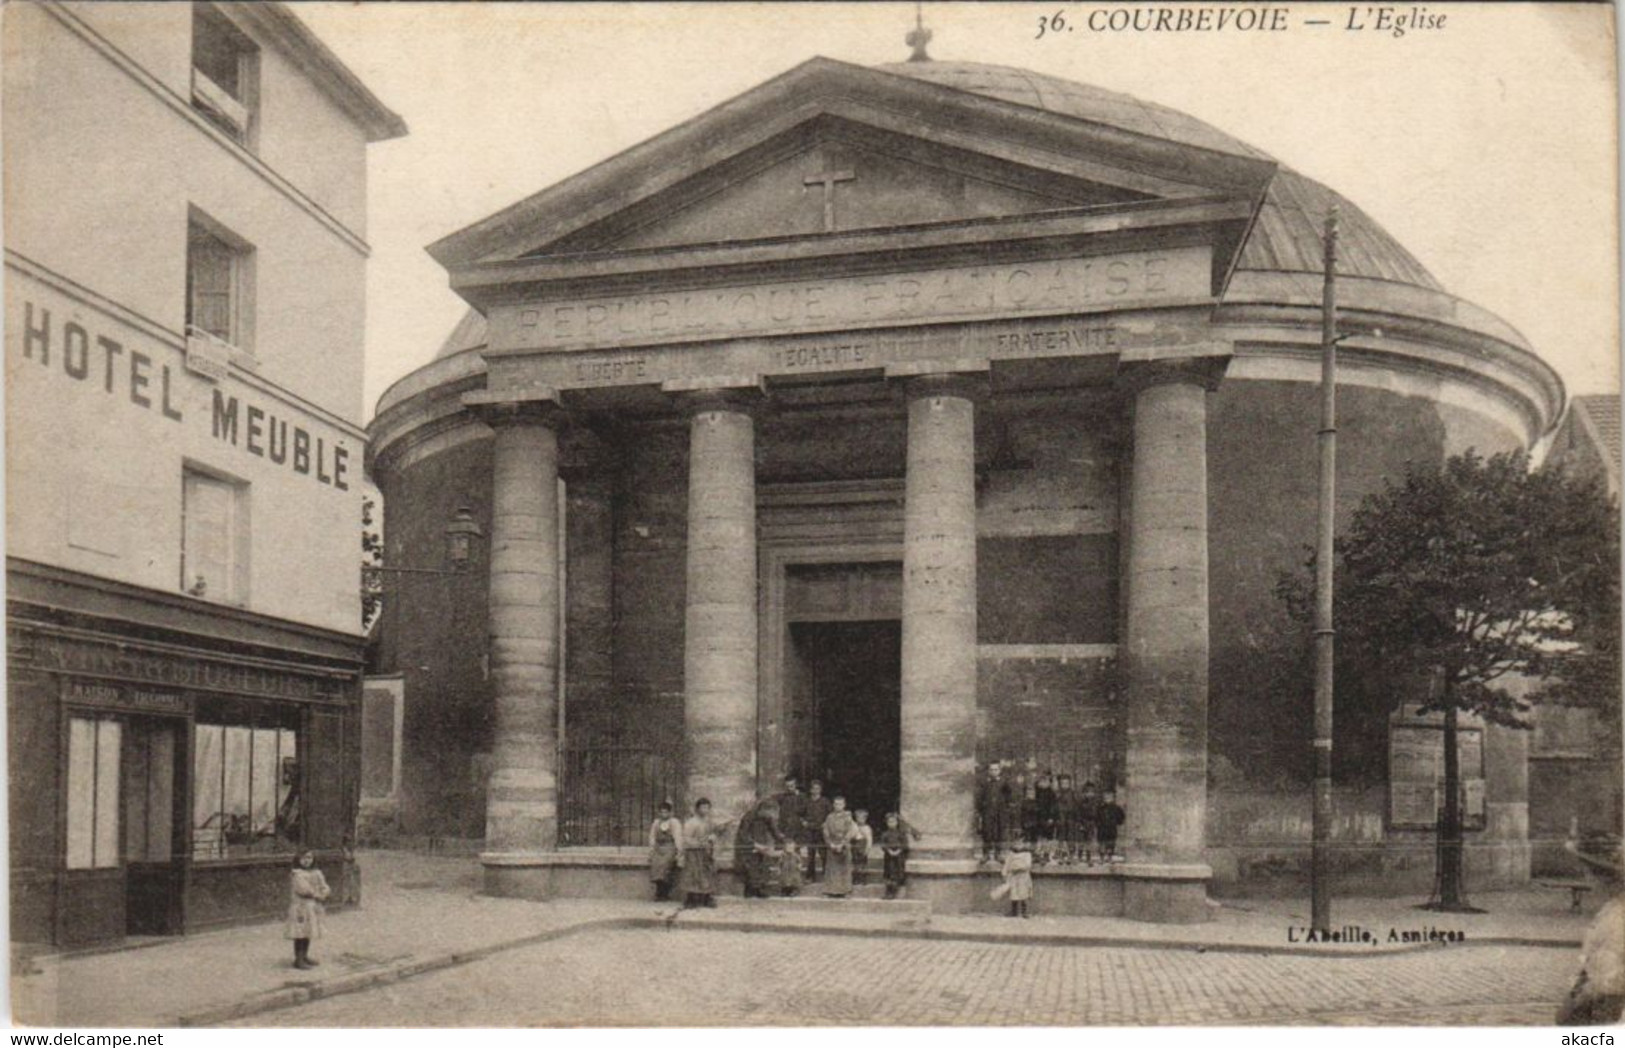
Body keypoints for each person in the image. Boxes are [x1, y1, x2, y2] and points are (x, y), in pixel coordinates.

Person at [286, 849, 331, 969]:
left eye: (309, 858)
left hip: (313, 907)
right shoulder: (297, 874)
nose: (307, 861)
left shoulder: (317, 873)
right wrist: (318, 895)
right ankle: (298, 959)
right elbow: (303, 890)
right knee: (300, 932)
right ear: (298, 859)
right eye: (304, 858)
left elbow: (324, 886)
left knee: (308, 931)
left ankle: (305, 956)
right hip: (301, 907)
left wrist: (325, 891)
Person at [678, 797, 727, 909]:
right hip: (694, 854)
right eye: (703, 807)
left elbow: (715, 832)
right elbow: (686, 840)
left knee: (707, 875)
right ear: (697, 809)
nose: (705, 810)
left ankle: (707, 898)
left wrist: (718, 832)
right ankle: (691, 899)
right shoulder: (691, 823)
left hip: (706, 853)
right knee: (693, 875)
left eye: (707, 807)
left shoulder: (709, 822)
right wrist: (700, 843)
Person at [738, 798, 784, 898]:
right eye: (769, 813)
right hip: (749, 846)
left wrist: (783, 840)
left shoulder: (767, 818)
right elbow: (743, 834)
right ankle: (750, 891)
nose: (770, 816)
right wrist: (754, 844)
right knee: (751, 868)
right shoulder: (749, 816)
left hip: (762, 844)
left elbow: (774, 831)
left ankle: (760, 889)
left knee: (763, 866)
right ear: (762, 810)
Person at [647, 800, 685, 901]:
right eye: (662, 812)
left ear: (670, 812)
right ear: (659, 812)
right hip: (659, 848)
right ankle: (659, 892)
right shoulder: (656, 823)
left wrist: (679, 851)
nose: (664, 814)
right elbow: (652, 837)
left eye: (666, 812)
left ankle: (665, 893)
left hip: (670, 847)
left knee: (665, 866)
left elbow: (678, 837)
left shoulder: (674, 823)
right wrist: (652, 849)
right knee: (656, 866)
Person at [821, 795, 858, 897]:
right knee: (832, 869)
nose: (838, 806)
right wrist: (830, 844)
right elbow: (825, 831)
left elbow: (851, 830)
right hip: (832, 844)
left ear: (844, 805)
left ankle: (845, 891)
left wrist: (843, 843)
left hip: (844, 845)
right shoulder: (829, 817)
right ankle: (831, 890)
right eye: (836, 804)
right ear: (833, 805)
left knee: (844, 869)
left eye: (840, 804)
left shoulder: (848, 817)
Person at [976, 761, 1008, 864]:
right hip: (988, 811)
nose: (994, 772)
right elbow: (980, 797)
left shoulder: (1004, 782)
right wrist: (981, 809)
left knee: (999, 832)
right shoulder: (985, 783)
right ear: (989, 771)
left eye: (996, 770)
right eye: (992, 770)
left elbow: (1009, 795)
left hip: (1000, 811)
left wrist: (1004, 807)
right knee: (987, 832)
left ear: (1000, 771)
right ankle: (986, 854)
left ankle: (998, 854)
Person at [803, 780, 832, 880]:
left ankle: (826, 874)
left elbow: (830, 815)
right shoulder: (807, 801)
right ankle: (811, 876)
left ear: (821, 790)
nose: (815, 791)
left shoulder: (825, 801)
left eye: (818, 789)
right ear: (810, 790)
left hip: (821, 830)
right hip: (810, 831)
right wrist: (804, 822)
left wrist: (826, 823)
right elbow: (800, 814)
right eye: (813, 789)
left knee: (823, 853)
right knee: (811, 854)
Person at [880, 812, 910, 899]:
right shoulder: (885, 834)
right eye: (889, 822)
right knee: (889, 872)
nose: (891, 823)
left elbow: (905, 844)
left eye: (893, 821)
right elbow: (883, 844)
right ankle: (888, 891)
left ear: (897, 822)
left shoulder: (901, 834)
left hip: (899, 856)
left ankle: (894, 891)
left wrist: (898, 850)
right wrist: (889, 850)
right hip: (888, 856)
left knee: (896, 872)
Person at [1001, 838, 1034, 919]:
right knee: (1013, 893)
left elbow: (1028, 865)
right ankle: (1014, 911)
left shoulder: (1027, 854)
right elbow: (1007, 864)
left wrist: (1018, 867)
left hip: (1023, 876)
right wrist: (1004, 874)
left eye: (1020, 844)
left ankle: (1024, 912)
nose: (1018, 846)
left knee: (1024, 893)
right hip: (1013, 876)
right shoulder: (1011, 854)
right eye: (1016, 844)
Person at [1054, 774, 1079, 864]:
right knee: (1061, 837)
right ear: (1060, 784)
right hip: (1061, 818)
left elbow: (1076, 806)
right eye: (1063, 783)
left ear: (1069, 783)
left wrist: (1076, 818)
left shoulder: (1073, 794)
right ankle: (1061, 856)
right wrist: (1055, 817)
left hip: (1071, 818)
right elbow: (1054, 807)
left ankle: (1071, 856)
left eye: (1066, 783)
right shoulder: (1057, 794)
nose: (1065, 785)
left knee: (1071, 837)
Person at [1034, 771, 1058, 863]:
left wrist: (1051, 817)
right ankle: (1038, 854)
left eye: (1046, 780)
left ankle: (1046, 855)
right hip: (1038, 818)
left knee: (1048, 837)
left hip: (1048, 818)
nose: (1043, 782)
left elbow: (1053, 806)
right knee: (1039, 836)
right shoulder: (1037, 791)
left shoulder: (1051, 793)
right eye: (1042, 780)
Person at [1097, 790, 1125, 863]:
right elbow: (1096, 817)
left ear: (1113, 798)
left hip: (1111, 828)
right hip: (1102, 829)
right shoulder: (1100, 808)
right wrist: (1098, 824)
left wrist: (1118, 822)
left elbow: (1121, 816)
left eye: (1109, 797)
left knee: (1110, 843)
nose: (1107, 799)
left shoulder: (1116, 808)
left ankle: (1109, 857)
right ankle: (1102, 858)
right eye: (1106, 797)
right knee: (1102, 843)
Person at [851, 809, 873, 886]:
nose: (860, 820)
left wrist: (867, 849)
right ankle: (856, 878)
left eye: (862, 818)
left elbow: (869, 839)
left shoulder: (867, 828)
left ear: (865, 819)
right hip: (855, 845)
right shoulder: (853, 826)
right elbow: (851, 835)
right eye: (858, 818)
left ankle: (863, 879)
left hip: (863, 845)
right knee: (855, 863)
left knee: (863, 863)